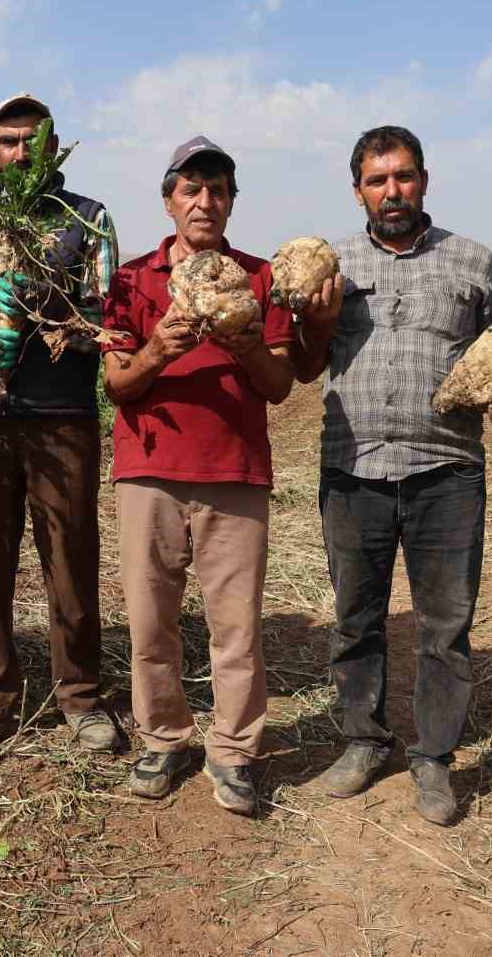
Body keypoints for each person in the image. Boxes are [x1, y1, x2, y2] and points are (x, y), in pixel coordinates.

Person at [292, 126, 492, 825]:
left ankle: (434, 759)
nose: (392, 192)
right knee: (356, 619)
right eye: (377, 181)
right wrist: (311, 320)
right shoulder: (332, 265)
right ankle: (363, 739)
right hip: (353, 469)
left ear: (424, 181)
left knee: (444, 626)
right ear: (358, 191)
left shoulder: (472, 262)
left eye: (403, 177)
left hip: (448, 473)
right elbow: (303, 365)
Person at [0, 93, 125, 765]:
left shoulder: (86, 221)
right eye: (8, 140)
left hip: (61, 416)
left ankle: (81, 698)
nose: (20, 151)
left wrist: (57, 323)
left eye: (32, 140)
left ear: (53, 145)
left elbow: (105, 315)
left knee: (70, 562)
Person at [102, 136, 294, 816]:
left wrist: (241, 341)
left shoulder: (260, 278)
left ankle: (235, 752)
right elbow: (118, 385)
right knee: (150, 623)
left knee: (235, 627)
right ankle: (164, 739)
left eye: (217, 190)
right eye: (191, 189)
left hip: (234, 474)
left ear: (232, 202)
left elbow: (280, 386)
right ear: (168, 199)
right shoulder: (131, 280)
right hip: (148, 472)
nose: (204, 201)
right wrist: (158, 349)